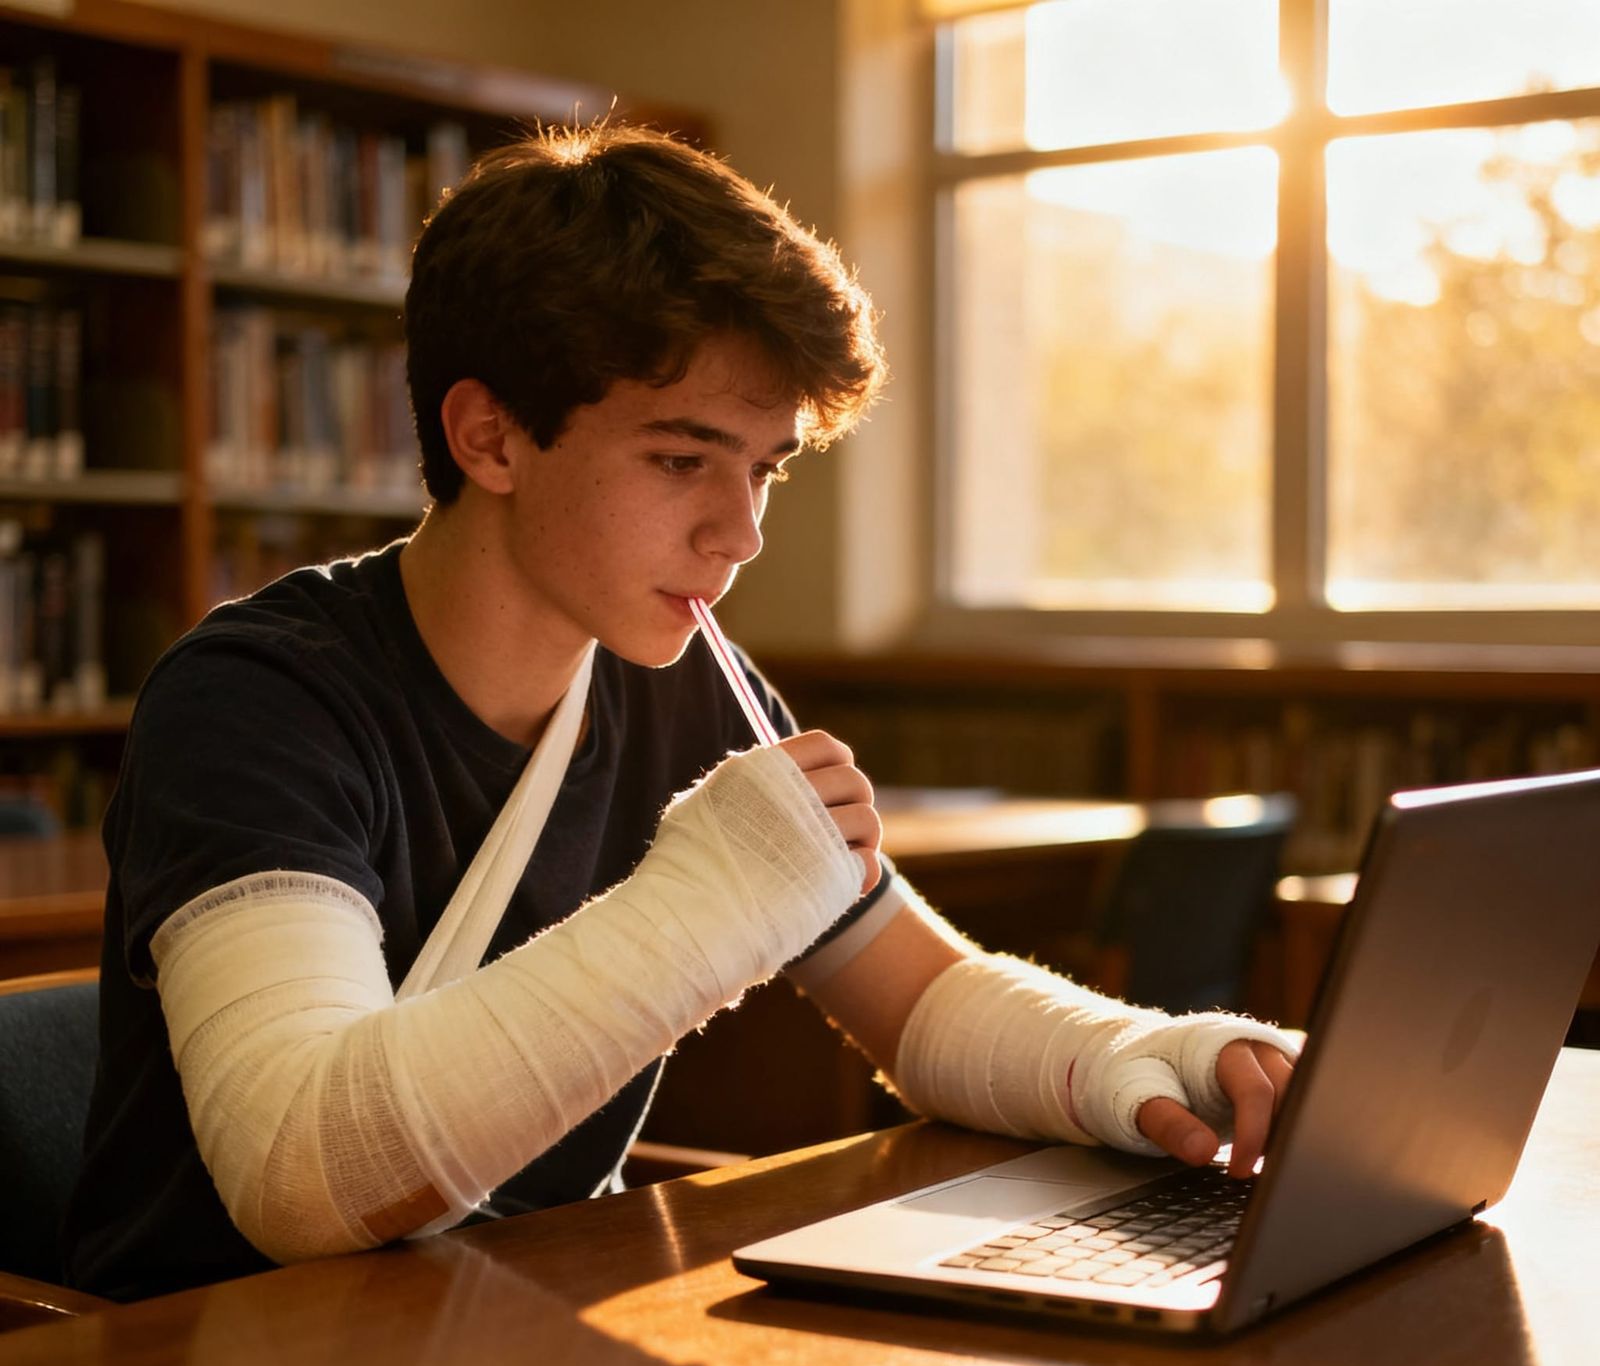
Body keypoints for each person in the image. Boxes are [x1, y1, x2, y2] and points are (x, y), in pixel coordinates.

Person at [64, 124, 1296, 1302]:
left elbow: (922, 1004)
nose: (741, 533)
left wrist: (1158, 1059)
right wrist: (705, 906)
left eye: (762, 468)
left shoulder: (681, 677)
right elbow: (304, 1172)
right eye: (679, 459)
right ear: (489, 435)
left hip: (497, 1346)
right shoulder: (256, 702)